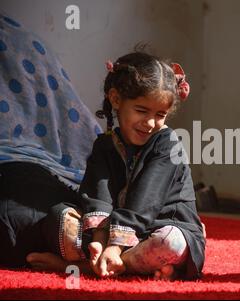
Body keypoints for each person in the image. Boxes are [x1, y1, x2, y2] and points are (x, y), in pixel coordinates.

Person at [27, 51, 206, 281]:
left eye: (160, 114)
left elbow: (145, 202)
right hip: (115, 229)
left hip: (162, 226)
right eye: (141, 110)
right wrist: (100, 241)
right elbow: (98, 195)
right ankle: (124, 264)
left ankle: (84, 266)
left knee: (169, 243)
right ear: (116, 99)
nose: (150, 123)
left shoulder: (167, 144)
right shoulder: (105, 145)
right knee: (60, 218)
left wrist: (115, 247)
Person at [0, 11, 100, 268]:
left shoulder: (21, 40)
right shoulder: (26, 40)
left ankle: (82, 247)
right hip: (71, 179)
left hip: (37, 184)